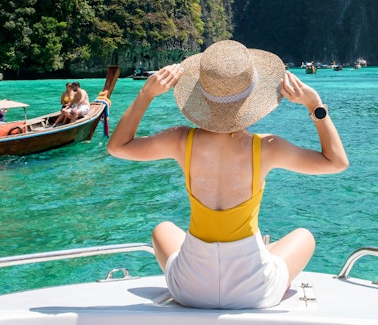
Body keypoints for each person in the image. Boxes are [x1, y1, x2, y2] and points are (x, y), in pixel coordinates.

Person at [107, 40, 349, 310]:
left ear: (200, 93)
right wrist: (314, 105)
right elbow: (336, 162)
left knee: (162, 229)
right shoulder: (267, 148)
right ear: (253, 97)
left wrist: (146, 95)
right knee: (304, 236)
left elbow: (118, 147)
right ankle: (260, 259)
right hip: (254, 291)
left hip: (190, 290)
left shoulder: (179, 141)